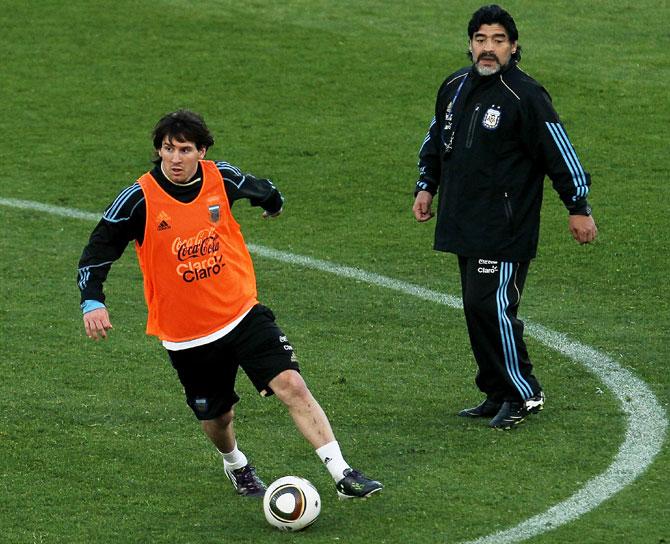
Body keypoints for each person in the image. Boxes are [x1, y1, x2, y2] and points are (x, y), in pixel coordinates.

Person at [78, 109, 383, 498]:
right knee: (218, 417)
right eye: (167, 149)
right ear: (158, 151)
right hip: (187, 335)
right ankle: (236, 464)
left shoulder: (220, 177)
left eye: (184, 149)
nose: (174, 158)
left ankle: (343, 474)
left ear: (201, 151)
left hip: (241, 313)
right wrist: (92, 301)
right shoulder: (139, 199)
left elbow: (262, 189)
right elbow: (96, 251)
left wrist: (273, 203)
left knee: (292, 384)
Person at [412, 5, 597, 430]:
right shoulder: (455, 86)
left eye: (498, 41)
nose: (488, 49)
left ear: (514, 46)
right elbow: (437, 137)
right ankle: (496, 390)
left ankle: (523, 391)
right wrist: (427, 184)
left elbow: (559, 151)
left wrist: (578, 207)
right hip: (463, 219)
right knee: (476, 309)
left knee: (492, 307)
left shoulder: (526, 95)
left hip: (504, 225)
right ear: (470, 45)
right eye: (481, 40)